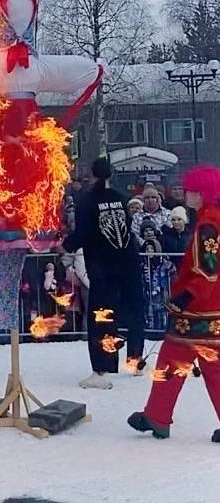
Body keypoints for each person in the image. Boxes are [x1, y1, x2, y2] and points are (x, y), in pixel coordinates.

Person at [129, 166, 220, 442]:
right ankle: (157, 415)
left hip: (198, 309)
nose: (185, 194)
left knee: (189, 363)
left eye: (191, 190)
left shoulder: (208, 225)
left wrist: (186, 295)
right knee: (187, 362)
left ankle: (157, 416)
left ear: (202, 193)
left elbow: (210, 269)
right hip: (203, 311)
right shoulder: (208, 219)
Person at [64, 157, 145, 389]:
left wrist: (65, 244)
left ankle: (101, 369)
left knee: (102, 315)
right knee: (133, 309)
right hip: (128, 263)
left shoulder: (86, 202)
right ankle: (135, 359)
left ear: (92, 174)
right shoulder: (121, 198)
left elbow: (85, 234)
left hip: (103, 268)